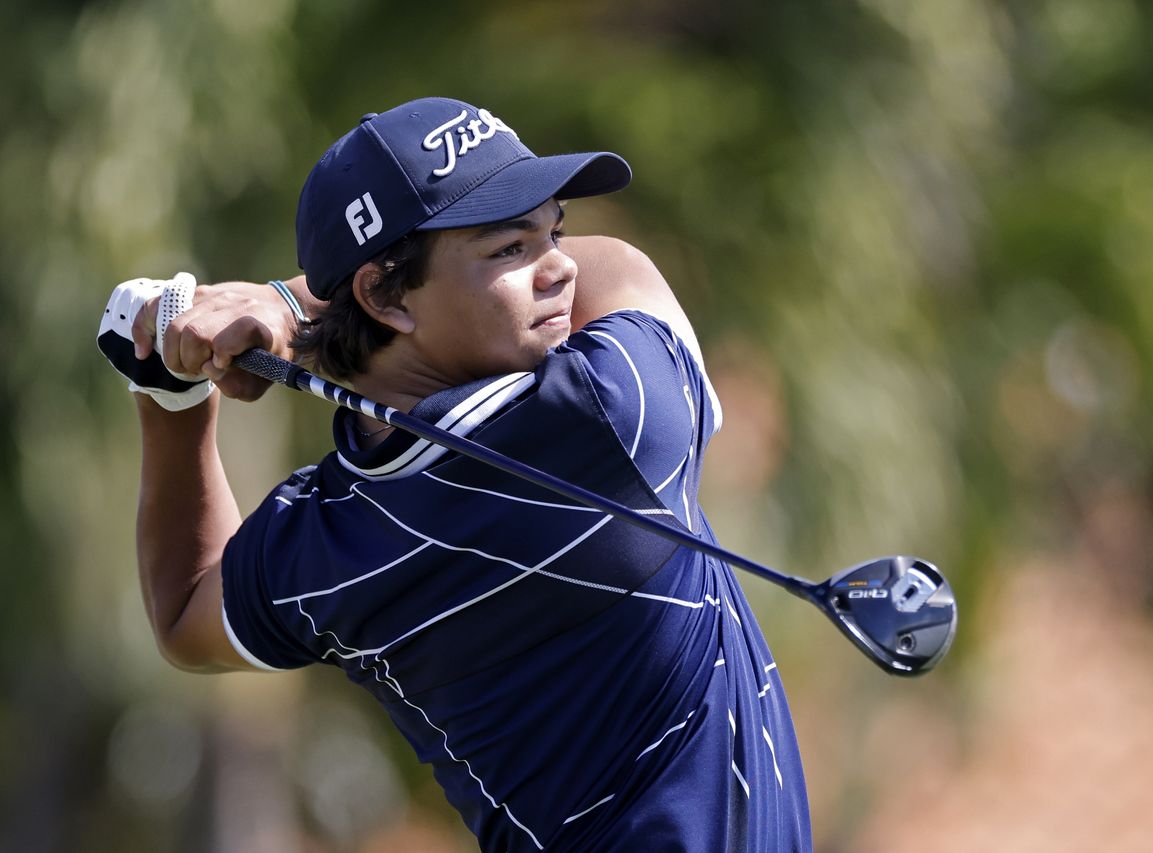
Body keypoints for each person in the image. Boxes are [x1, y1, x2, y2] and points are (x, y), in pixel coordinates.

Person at [98, 96, 812, 851]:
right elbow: (624, 270)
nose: (560, 265)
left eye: (554, 231)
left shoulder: (326, 545)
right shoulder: (614, 415)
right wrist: (286, 302)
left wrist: (169, 389)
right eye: (511, 248)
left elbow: (184, 609)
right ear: (383, 294)